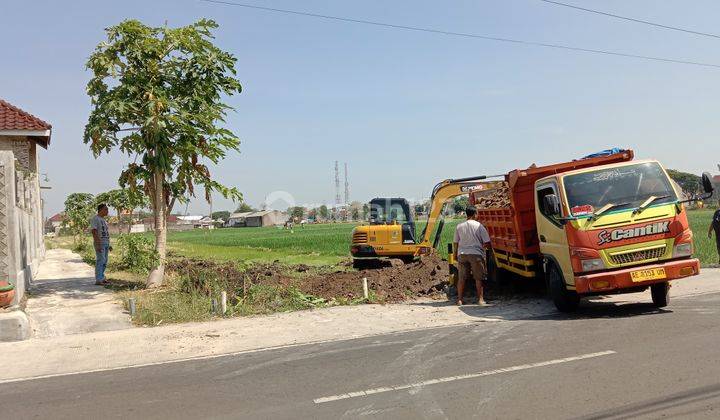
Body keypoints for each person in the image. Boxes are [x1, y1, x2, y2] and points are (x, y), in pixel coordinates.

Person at [453, 206, 491, 305]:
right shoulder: (479, 226)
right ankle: (480, 299)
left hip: (462, 254)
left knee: (461, 278)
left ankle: (460, 300)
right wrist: (483, 248)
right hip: (476, 254)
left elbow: (455, 242)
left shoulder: (459, 226)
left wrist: (454, 254)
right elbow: (487, 242)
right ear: (475, 214)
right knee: (478, 278)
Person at [91, 204, 112, 285]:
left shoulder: (104, 220)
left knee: (105, 261)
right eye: (106, 209)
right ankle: (98, 279)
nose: (107, 211)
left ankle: (102, 278)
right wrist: (98, 244)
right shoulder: (95, 219)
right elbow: (94, 231)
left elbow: (106, 233)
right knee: (100, 260)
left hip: (106, 243)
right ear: (100, 210)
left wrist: (109, 244)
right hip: (100, 243)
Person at [709, 200, 720, 265]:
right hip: (718, 234)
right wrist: (709, 231)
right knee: (719, 247)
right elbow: (713, 223)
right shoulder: (717, 212)